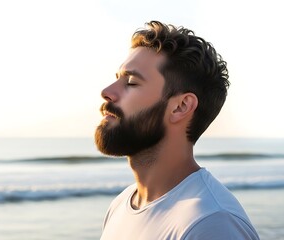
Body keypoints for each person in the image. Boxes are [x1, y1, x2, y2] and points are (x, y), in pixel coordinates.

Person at [94, 21, 260, 240]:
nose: (106, 92)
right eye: (117, 79)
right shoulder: (121, 206)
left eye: (132, 82)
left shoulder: (210, 224)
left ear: (181, 107)